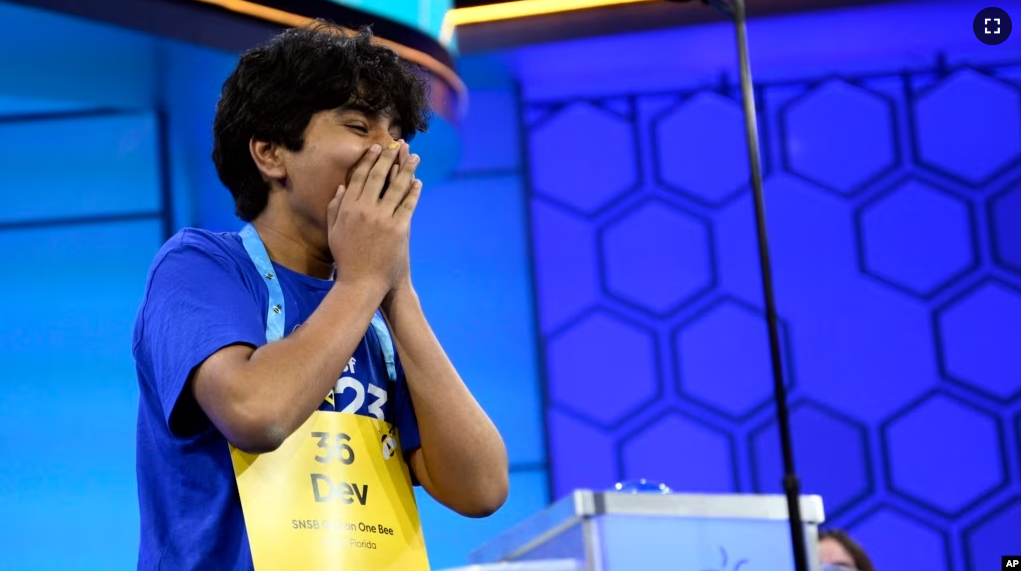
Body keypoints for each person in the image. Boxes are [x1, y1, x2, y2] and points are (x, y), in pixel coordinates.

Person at [132, 21, 509, 570]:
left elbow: (481, 489)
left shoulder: (375, 309)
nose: (391, 151)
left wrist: (395, 288)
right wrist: (361, 281)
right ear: (270, 153)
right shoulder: (200, 265)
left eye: (398, 131)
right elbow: (257, 413)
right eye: (359, 125)